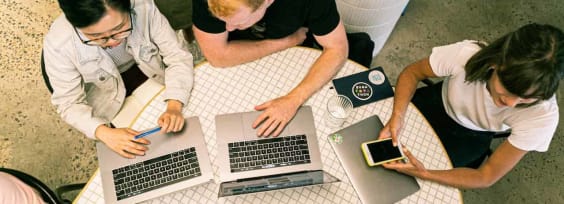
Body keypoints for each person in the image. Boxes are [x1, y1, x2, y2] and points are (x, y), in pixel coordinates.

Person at [378, 23, 563, 188]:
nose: (511, 103)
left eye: (526, 99)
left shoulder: (543, 117)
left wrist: (425, 173)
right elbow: (412, 73)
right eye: (507, 89)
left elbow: (486, 176)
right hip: (433, 103)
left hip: (472, 137)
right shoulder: (466, 54)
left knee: (407, 186)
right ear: (495, 63)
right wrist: (398, 115)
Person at [193, 0, 373, 137]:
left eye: (238, 23)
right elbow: (218, 56)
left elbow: (338, 48)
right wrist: (286, 42)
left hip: (294, 64)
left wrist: (293, 100)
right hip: (240, 66)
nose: (228, 28)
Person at [43, 0, 194, 158]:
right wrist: (103, 132)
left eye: (119, 29)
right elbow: (68, 103)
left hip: (153, 74)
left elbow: (177, 57)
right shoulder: (58, 44)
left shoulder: (143, 6)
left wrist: (174, 104)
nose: (113, 42)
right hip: (106, 100)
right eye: (96, 37)